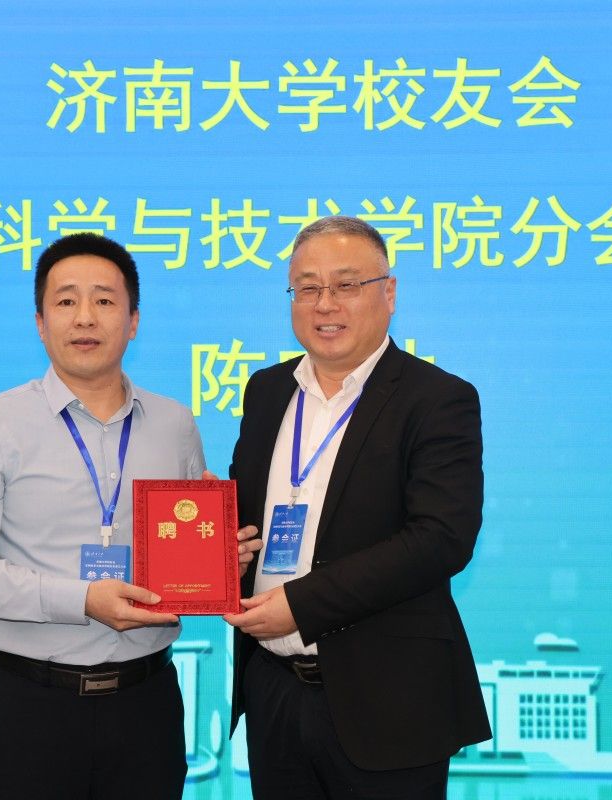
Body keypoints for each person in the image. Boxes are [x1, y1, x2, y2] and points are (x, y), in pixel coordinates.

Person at [0, 233, 259, 800]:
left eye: (105, 300)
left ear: (133, 322)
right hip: (29, 706)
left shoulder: (175, 424)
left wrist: (222, 560)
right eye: (66, 301)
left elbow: (182, 551)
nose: (85, 317)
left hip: (146, 705)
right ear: (40, 322)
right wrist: (81, 599)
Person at [225, 216, 491, 798]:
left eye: (347, 285)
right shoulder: (267, 391)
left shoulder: (437, 399)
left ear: (388, 293)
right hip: (273, 690)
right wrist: (221, 545)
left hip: (389, 702)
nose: (326, 304)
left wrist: (303, 605)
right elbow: (248, 517)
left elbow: (441, 538)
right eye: (308, 288)